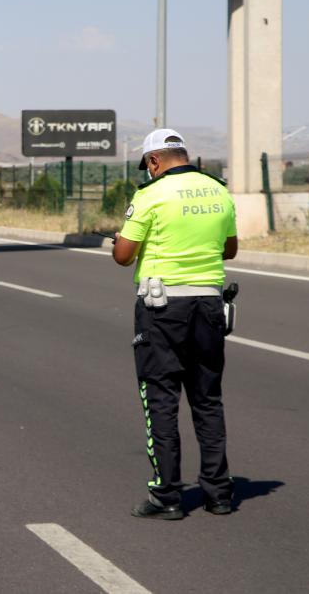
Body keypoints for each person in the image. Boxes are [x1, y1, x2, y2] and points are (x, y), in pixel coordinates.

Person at [111, 128, 238, 520]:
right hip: (209, 305)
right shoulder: (218, 190)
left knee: (161, 400)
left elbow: (124, 256)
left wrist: (120, 240)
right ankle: (218, 494)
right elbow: (229, 248)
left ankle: (167, 495)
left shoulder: (150, 195)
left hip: (162, 308)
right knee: (207, 399)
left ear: (154, 162)